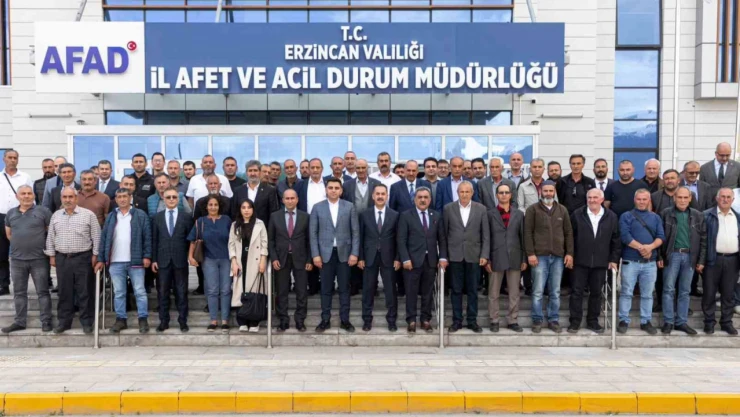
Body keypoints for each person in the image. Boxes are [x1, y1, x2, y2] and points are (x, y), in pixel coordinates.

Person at [45, 187, 100, 334]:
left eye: (70, 197)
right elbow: (51, 237)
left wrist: (95, 255)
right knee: (64, 292)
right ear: (61, 199)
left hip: (83, 258)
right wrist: (52, 256)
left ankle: (87, 322)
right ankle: (64, 322)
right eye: (65, 197)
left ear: (76, 198)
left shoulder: (88, 215)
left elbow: (96, 236)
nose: (68, 200)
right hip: (62, 258)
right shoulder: (56, 215)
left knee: (85, 291)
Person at [96, 188, 152, 334]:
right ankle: (121, 319)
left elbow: (147, 237)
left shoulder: (140, 215)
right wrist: (101, 259)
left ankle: (143, 319)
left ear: (130, 198)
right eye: (119, 197)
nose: (122, 199)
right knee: (119, 292)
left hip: (136, 260)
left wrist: (147, 256)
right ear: (116, 199)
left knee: (140, 291)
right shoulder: (111, 216)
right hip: (115, 261)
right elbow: (104, 238)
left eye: (125, 196)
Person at [310, 178, 360, 333]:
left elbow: (355, 232)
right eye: (330, 187)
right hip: (325, 255)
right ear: (326, 190)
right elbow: (313, 233)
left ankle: (345, 320)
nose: (333, 190)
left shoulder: (349, 206)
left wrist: (354, 253)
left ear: (341, 190)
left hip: (345, 254)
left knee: (344, 288)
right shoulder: (317, 207)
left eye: (336, 188)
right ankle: (325, 320)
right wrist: (315, 255)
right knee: (325, 289)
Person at [1, 185, 52, 333]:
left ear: (34, 196)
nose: (26, 196)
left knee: (43, 292)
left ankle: (46, 321)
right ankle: (20, 321)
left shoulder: (43, 211)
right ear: (17, 196)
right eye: (23, 193)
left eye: (29, 193)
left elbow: (50, 232)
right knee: (19, 292)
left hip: (39, 259)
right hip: (17, 261)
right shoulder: (11, 213)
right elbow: (9, 234)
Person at [524, 181, 573, 333]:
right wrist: (530, 253)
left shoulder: (562, 210)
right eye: (545, 191)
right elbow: (527, 232)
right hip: (539, 257)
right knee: (538, 291)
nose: (548, 194)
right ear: (540, 192)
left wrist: (569, 253)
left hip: (558, 257)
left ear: (554, 192)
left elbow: (568, 233)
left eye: (551, 191)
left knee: (555, 291)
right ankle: (537, 320)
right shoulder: (532, 210)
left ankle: (553, 319)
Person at [568, 189, 620, 334]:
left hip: (601, 262)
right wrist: (570, 255)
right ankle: (575, 322)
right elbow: (570, 237)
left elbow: (616, 240)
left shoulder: (611, 216)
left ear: (602, 199)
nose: (592, 200)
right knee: (576, 292)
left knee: (596, 293)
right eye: (589, 197)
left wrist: (613, 259)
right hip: (579, 261)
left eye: (595, 197)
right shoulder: (577, 214)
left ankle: (593, 321)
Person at [397, 187, 446, 333]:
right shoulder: (406, 215)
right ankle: (411, 320)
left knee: (428, 292)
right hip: (411, 262)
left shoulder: (436, 215)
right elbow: (401, 240)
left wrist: (442, 257)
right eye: (420, 197)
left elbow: (442, 239)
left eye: (426, 197)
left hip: (430, 261)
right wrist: (405, 259)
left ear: (430, 200)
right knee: (411, 292)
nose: (423, 200)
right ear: (414, 199)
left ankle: (425, 319)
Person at [443, 181, 489, 333]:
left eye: (467, 192)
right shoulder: (448, 208)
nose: (464, 194)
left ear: (472, 193)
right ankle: (456, 321)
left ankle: (472, 321)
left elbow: (485, 234)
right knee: (456, 290)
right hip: (454, 255)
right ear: (457, 193)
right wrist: (444, 255)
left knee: (473, 290)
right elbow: (444, 234)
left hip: (474, 255)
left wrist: (484, 254)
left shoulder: (481, 209)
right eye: (461, 192)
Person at [617, 189, 665, 335]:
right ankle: (623, 320)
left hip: (650, 263)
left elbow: (661, 237)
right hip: (630, 261)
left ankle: (646, 321)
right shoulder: (626, 216)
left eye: (644, 199)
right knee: (626, 292)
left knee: (648, 294)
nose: (642, 202)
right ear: (634, 200)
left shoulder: (655, 217)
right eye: (639, 199)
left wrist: (650, 247)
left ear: (649, 200)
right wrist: (642, 248)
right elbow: (625, 236)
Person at [658, 186, 705, 336]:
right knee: (668, 289)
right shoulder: (665, 214)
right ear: (674, 198)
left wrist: (701, 260)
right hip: (672, 255)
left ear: (690, 198)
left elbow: (703, 239)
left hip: (690, 256)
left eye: (686, 197)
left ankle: (681, 322)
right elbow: (659, 236)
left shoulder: (698, 215)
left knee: (685, 291)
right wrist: (659, 256)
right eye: (680, 197)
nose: (683, 200)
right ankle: (668, 321)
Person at [358, 184, 400, 332]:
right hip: (369, 257)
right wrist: (360, 257)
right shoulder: (364, 214)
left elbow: (399, 239)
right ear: (373, 196)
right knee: (368, 290)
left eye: (383, 194)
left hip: (389, 257)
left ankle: (392, 320)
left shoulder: (395, 215)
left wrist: (397, 258)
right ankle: (367, 320)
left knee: (390, 290)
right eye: (378, 194)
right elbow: (360, 237)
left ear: (387, 196)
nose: (380, 196)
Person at [269, 189, 312, 332]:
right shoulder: (274, 216)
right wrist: (274, 258)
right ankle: (283, 320)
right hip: (281, 258)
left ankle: (300, 320)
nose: (290, 201)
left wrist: (309, 259)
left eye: (292, 198)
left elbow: (309, 240)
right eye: (287, 198)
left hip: (301, 258)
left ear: (297, 199)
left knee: (301, 291)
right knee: (281, 291)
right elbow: (271, 240)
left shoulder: (305, 216)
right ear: (283, 200)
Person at [152, 187, 193, 333]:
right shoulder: (157, 217)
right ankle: (164, 321)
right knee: (162, 292)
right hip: (162, 260)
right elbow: (154, 240)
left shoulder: (186, 217)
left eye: (174, 197)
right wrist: (154, 259)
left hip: (180, 260)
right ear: (163, 199)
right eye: (168, 197)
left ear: (178, 199)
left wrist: (188, 255)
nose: (171, 200)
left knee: (181, 292)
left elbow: (190, 240)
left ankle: (183, 321)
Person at [188, 195, 232, 333]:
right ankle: (213, 320)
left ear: (220, 206)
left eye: (216, 204)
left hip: (226, 259)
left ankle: (225, 320)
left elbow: (234, 239)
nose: (213, 207)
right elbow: (193, 240)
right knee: (212, 290)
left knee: (226, 290)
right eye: (210, 205)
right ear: (206, 207)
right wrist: (190, 256)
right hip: (208, 259)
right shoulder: (200, 221)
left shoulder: (227, 220)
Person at [485, 183, 525, 333]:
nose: (503, 195)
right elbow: (486, 238)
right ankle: (494, 320)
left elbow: (523, 237)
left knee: (514, 292)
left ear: (510, 195)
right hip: (496, 256)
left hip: (515, 256)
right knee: (493, 292)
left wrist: (524, 259)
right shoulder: (489, 214)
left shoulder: (519, 214)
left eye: (506, 192)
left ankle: (512, 320)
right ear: (497, 195)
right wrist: (487, 258)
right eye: (501, 192)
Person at [702, 188, 740, 335]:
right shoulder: (707, 215)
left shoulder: (738, 217)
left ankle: (726, 322)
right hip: (712, 259)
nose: (725, 199)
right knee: (709, 293)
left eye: (728, 197)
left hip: (733, 260)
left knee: (729, 294)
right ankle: (709, 322)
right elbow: (702, 240)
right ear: (717, 198)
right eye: (722, 196)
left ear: (733, 200)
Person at [342, 159, 381, 296]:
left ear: (367, 168)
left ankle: (372, 286)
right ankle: (354, 285)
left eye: (363, 167)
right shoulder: (347, 185)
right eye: (358, 168)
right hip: (352, 224)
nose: (360, 170)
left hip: (371, 225)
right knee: (354, 252)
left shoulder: (376, 184)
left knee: (370, 254)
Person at [229, 199, 268, 333]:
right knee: (240, 291)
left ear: (253, 209)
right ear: (240, 210)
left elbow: (264, 243)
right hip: (240, 262)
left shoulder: (259, 224)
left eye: (249, 207)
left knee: (254, 291)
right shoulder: (235, 225)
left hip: (255, 261)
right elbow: (231, 245)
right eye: (243, 207)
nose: (246, 210)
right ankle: (242, 321)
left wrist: (263, 260)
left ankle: (254, 321)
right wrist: (234, 261)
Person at [0, 150, 33, 295]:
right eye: (10, 157)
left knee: (22, 251)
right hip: (1, 216)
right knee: (1, 253)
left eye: (15, 158)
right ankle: (3, 284)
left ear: (18, 160)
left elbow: (31, 197)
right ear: (4, 159)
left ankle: (22, 284)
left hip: (20, 216)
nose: (12, 160)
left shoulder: (25, 177)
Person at [231, 160, 279, 227]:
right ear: (246, 173)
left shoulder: (270, 190)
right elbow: (234, 213)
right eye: (250, 171)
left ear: (260, 172)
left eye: (255, 170)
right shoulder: (238, 191)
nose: (253, 173)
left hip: (262, 230)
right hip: (242, 229)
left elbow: (273, 213)